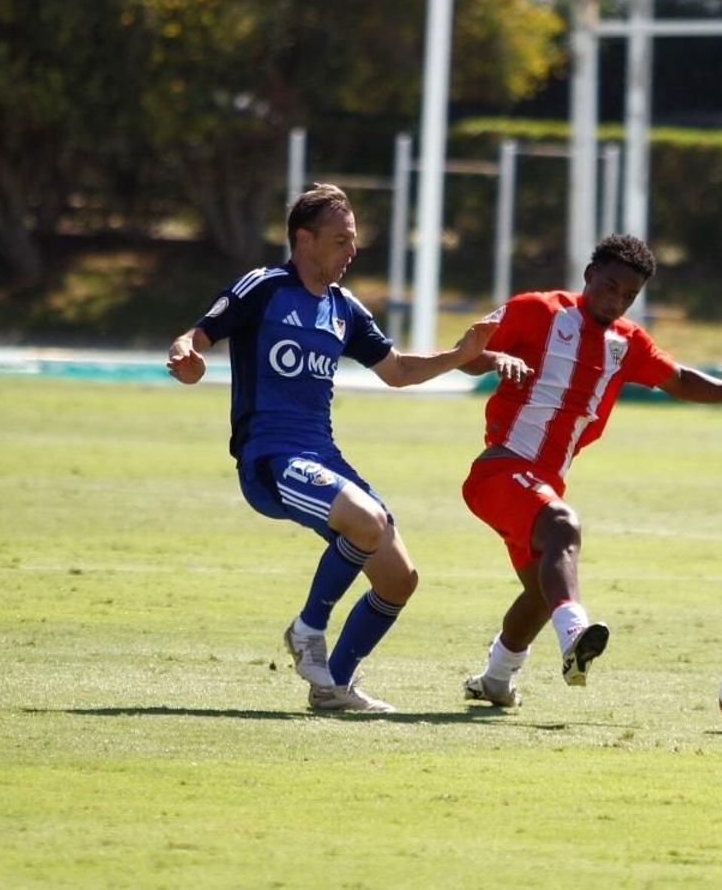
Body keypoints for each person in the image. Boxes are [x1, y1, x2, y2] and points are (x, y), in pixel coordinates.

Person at [166, 183, 503, 713]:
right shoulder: (266, 287)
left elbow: (397, 371)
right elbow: (197, 336)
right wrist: (186, 358)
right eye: (342, 240)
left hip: (322, 456)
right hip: (270, 458)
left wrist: (461, 355)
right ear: (305, 240)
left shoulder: (344, 308)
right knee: (366, 521)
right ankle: (307, 630)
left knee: (399, 578)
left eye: (353, 241)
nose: (352, 251)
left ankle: (333, 687)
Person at [458, 233, 722, 707]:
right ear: (588, 276)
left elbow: (681, 380)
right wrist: (495, 358)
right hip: (499, 470)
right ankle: (574, 639)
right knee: (564, 525)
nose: (617, 301)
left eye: (629, 296)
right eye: (609, 287)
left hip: (542, 484)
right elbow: (464, 355)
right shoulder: (536, 310)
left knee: (545, 590)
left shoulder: (626, 343)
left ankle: (497, 679)